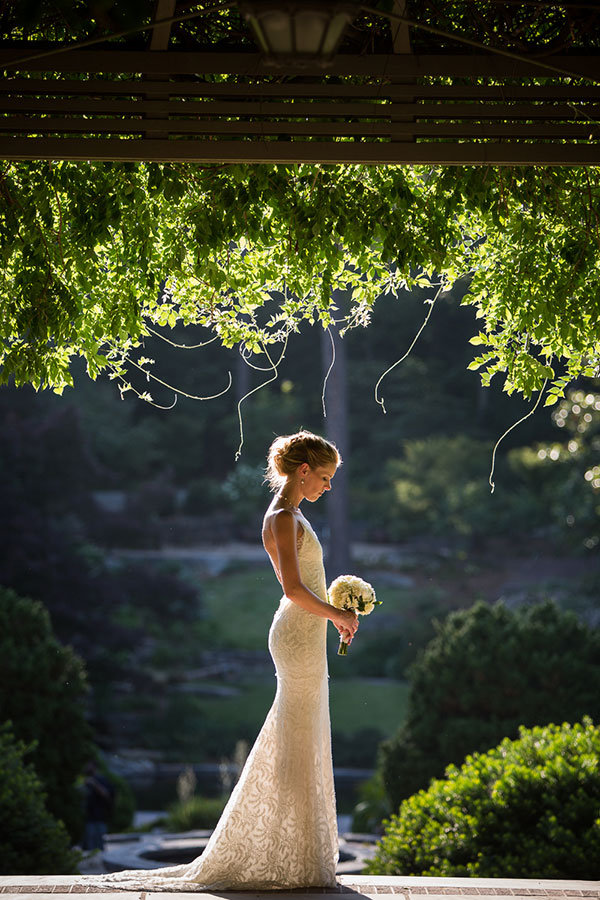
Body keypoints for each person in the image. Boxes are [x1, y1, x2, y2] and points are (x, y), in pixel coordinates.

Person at [93, 430, 358, 891]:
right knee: (294, 732)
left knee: (304, 733)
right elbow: (293, 590)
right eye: (325, 477)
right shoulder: (281, 517)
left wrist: (335, 609)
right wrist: (336, 611)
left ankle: (298, 851)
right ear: (303, 471)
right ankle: (282, 850)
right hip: (297, 634)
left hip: (308, 633)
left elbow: (307, 583)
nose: (328, 487)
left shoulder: (292, 514)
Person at [82, 760, 114, 851]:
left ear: (94, 766)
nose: (86, 767)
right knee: (90, 844)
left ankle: (99, 861)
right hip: (89, 817)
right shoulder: (87, 780)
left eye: (88, 765)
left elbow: (107, 794)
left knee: (99, 843)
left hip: (100, 817)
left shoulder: (101, 779)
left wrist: (94, 785)